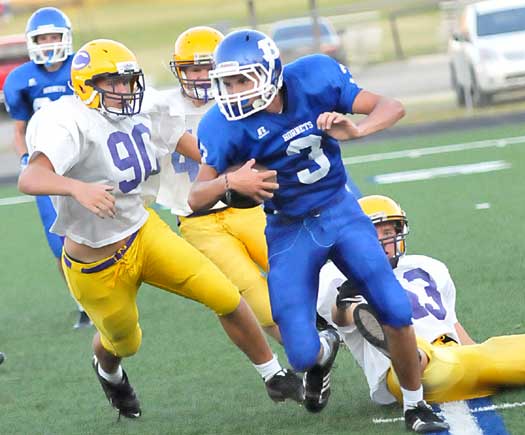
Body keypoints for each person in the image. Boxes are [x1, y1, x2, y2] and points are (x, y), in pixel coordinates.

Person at [18, 38, 303, 419]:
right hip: (95, 261)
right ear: (86, 85)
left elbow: (184, 143)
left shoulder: (143, 106)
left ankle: (274, 375)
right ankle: (108, 370)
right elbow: (30, 176)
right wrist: (77, 188)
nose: (125, 90)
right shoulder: (67, 120)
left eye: (128, 80)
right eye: (113, 82)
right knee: (124, 341)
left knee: (225, 294)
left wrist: (228, 171)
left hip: (143, 231)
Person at [188, 29, 448, 432]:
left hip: (340, 210)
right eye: (227, 82)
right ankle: (325, 349)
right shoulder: (222, 125)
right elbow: (195, 197)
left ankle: (415, 406)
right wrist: (229, 184)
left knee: (394, 308)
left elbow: (390, 106)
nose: (233, 92)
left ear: (271, 73)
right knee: (300, 354)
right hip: (289, 229)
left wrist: (357, 130)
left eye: (243, 80)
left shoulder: (315, 77)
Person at [318, 194, 525, 406]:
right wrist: (349, 304)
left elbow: (453, 325)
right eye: (372, 234)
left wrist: (482, 356)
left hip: (453, 357)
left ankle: (448, 362)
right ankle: (404, 352)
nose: (382, 243)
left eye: (388, 234)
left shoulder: (428, 266)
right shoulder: (341, 275)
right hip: (404, 373)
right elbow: (346, 315)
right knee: (419, 353)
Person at [154, 26, 281, 342]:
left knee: (299, 275)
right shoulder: (159, 109)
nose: (199, 77)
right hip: (199, 221)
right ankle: (311, 359)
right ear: (179, 70)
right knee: (261, 304)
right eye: (192, 69)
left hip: (249, 208)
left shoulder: (242, 100)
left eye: (207, 68)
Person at [3, 6, 91, 329]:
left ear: (66, 37)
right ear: (31, 41)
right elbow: (19, 129)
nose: (49, 43)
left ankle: (110, 289)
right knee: (59, 242)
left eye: (54, 36)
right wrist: (27, 159)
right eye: (42, 38)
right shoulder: (20, 79)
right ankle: (82, 302)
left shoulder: (82, 68)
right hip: (47, 168)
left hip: (85, 161)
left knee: (102, 229)